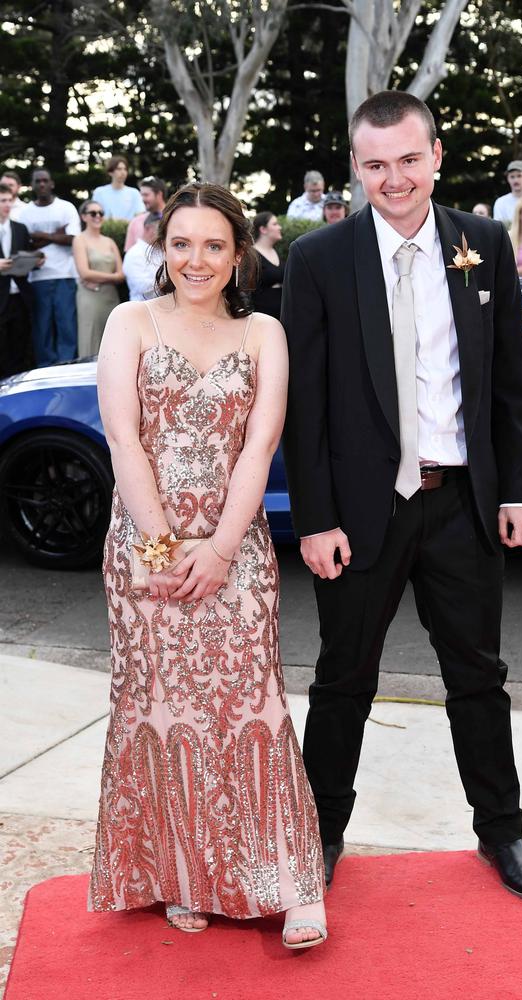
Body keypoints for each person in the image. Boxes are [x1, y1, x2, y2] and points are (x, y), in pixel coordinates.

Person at [281, 90, 522, 903]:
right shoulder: (320, 258)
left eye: (408, 159)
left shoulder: (483, 242)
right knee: (342, 680)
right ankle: (319, 834)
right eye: (375, 164)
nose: (393, 179)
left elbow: (510, 381)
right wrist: (317, 516)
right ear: (354, 169)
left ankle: (501, 833)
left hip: (464, 503)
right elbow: (307, 405)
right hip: (364, 515)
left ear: (435, 157)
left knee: (479, 675)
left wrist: (519, 491)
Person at [89, 181, 327, 950]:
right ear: (163, 249)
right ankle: (185, 877)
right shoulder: (130, 321)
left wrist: (221, 550)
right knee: (163, 715)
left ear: (239, 254)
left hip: (237, 548)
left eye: (214, 245)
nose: (196, 259)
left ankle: (292, 886)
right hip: (144, 550)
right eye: (182, 243)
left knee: (252, 711)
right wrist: (160, 550)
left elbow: (261, 447)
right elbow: (124, 440)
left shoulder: (264, 333)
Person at [20, 167, 80, 365]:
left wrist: (43, 236)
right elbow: (25, 245)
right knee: (42, 329)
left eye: (46, 180)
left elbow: (73, 239)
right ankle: (45, 371)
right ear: (33, 185)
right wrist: (57, 234)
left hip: (65, 275)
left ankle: (66, 368)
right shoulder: (24, 213)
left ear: (52, 183)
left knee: (67, 328)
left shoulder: (66, 207)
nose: (42, 184)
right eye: (38, 181)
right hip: (38, 278)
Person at [72, 200, 124, 356]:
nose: (97, 216)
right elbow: (84, 273)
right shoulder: (79, 240)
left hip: (110, 298)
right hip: (90, 298)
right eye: (93, 213)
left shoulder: (110, 242)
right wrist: (112, 277)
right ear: (83, 217)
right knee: (90, 340)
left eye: (101, 213)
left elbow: (121, 275)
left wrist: (99, 277)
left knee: (114, 342)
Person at [0, 182, 36, 377]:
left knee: (19, 344)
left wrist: (35, 260)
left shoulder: (20, 228)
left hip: (20, 296)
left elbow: (27, 253)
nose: (7, 204)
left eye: (9, 200)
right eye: (2, 201)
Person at [122, 212, 162, 301]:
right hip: (141, 309)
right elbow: (143, 288)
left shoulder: (161, 251)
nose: (164, 234)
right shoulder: (133, 254)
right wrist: (168, 281)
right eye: (160, 230)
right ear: (148, 228)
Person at [92, 155, 145, 221]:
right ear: (110, 172)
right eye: (119, 169)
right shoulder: (99, 192)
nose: (123, 172)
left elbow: (140, 215)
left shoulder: (134, 193)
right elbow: (94, 215)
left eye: (125, 169)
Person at [252, 211, 284, 320]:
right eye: (275, 224)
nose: (279, 227)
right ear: (263, 229)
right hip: (263, 317)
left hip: (282, 314)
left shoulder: (277, 252)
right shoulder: (251, 255)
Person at [124, 176, 167, 251]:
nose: (143, 199)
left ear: (159, 194)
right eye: (142, 195)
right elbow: (129, 254)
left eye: (146, 195)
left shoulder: (174, 218)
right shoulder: (135, 222)